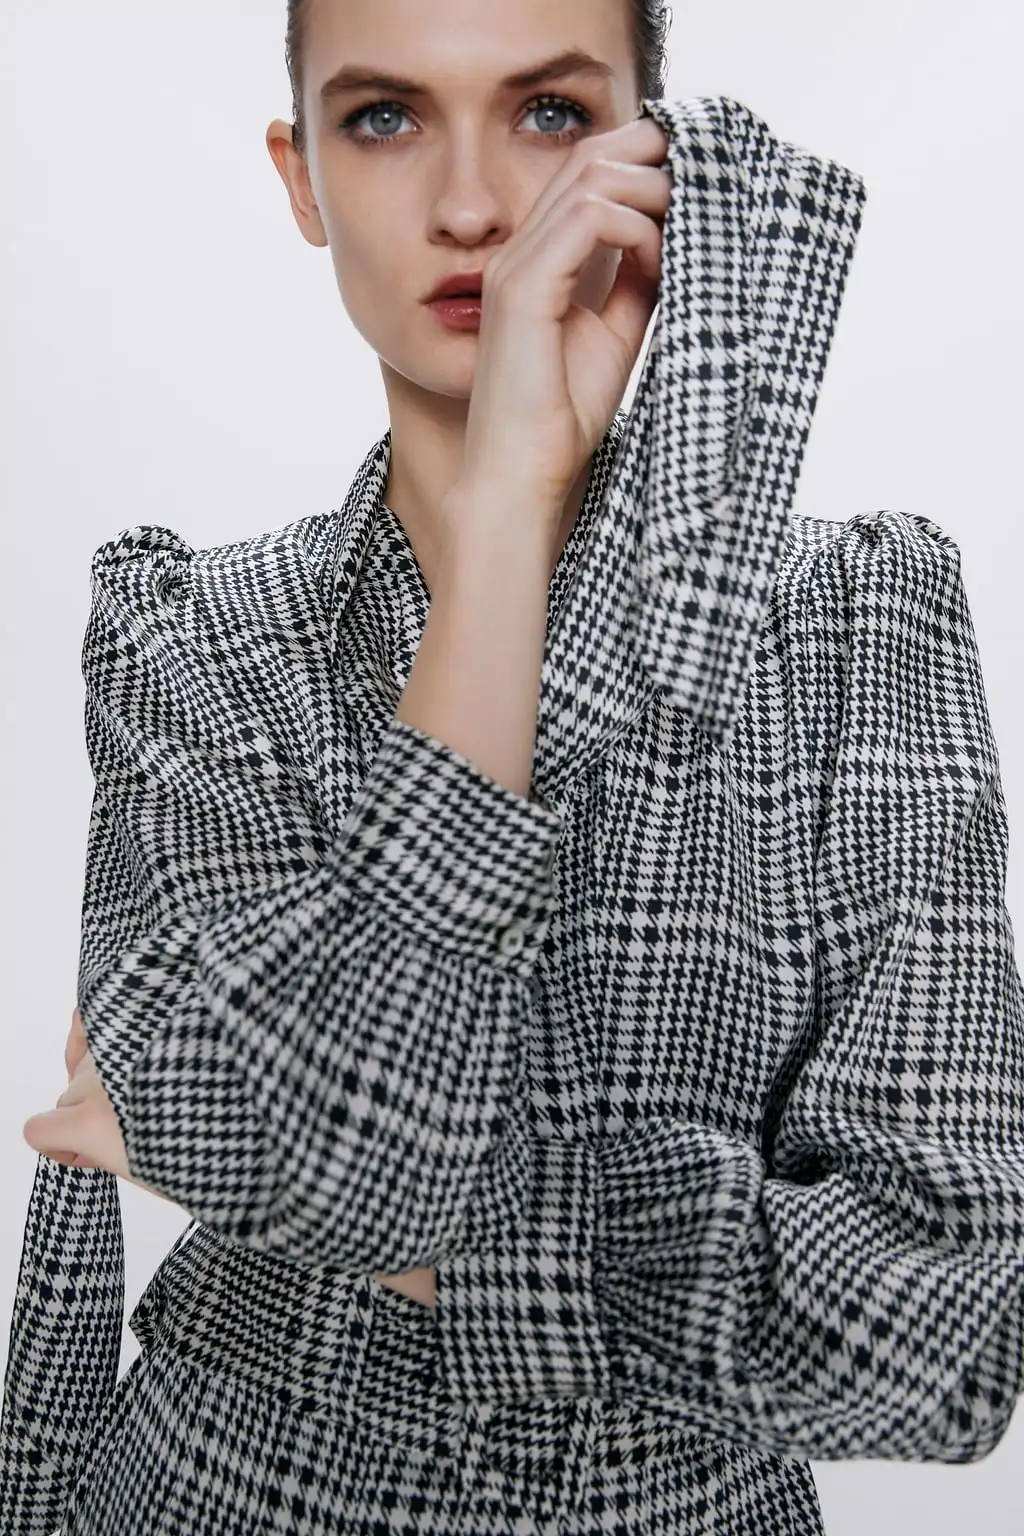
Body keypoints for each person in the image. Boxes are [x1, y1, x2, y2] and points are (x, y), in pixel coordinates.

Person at [5, 1, 1023, 1533]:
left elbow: (953, 1332)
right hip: (224, 1488)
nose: (474, 206)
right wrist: (506, 514)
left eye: (549, 114)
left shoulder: (855, 618)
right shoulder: (189, 634)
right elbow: (325, 1132)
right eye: (384, 118)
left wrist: (372, 1210)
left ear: (654, 160)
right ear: (300, 178)